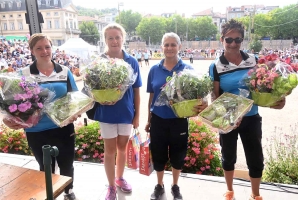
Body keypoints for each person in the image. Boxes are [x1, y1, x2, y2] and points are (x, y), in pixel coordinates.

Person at [209, 19, 286, 200]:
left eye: (237, 39)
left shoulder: (254, 60)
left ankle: (255, 194)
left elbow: (265, 86)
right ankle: (229, 191)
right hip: (228, 118)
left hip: (251, 116)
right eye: (229, 40)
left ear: (242, 40)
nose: (233, 44)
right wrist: (229, 115)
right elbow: (214, 96)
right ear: (222, 40)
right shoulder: (216, 66)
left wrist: (277, 100)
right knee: (228, 156)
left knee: (255, 158)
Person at [3, 33, 79, 200]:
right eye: (39, 48)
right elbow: (11, 103)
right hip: (36, 130)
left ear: (52, 48)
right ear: (31, 51)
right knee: (45, 166)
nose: (44, 51)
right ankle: (48, 193)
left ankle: (68, 191)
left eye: (47, 47)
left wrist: (76, 112)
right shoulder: (23, 73)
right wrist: (8, 119)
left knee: (67, 163)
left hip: (63, 127)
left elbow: (75, 97)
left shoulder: (65, 71)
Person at [145, 32, 207, 200]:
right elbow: (151, 97)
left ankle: (175, 185)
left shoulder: (188, 70)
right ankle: (159, 185)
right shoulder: (154, 70)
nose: (170, 48)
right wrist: (148, 120)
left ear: (179, 47)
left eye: (173, 44)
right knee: (158, 153)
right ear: (161, 47)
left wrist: (203, 104)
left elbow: (198, 97)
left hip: (179, 120)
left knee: (178, 154)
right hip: (158, 119)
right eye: (166, 45)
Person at [93, 23, 142, 200]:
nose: (114, 41)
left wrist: (137, 115)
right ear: (105, 40)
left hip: (126, 113)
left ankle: (120, 177)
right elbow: (92, 90)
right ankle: (111, 186)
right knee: (110, 150)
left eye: (117, 37)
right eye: (110, 38)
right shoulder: (99, 61)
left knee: (122, 148)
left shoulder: (132, 61)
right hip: (106, 114)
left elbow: (137, 91)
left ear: (123, 38)